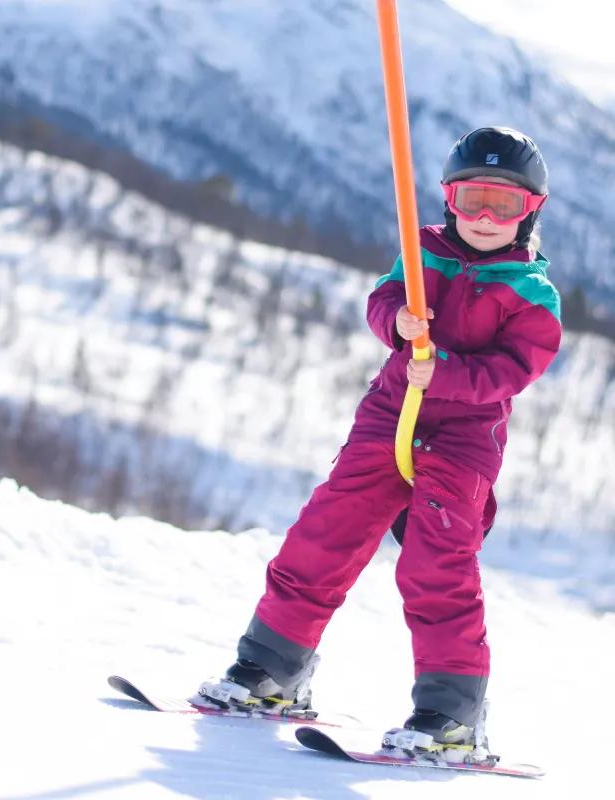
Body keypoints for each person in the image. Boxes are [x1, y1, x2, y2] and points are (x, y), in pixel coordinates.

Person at [200, 127, 562, 762]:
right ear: (449, 198)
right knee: (324, 532)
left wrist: (445, 370)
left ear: (530, 212)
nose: (484, 217)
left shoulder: (533, 294)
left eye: (504, 205)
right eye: (473, 197)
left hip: (462, 438)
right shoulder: (420, 254)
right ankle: (271, 671)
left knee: (436, 565)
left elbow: (514, 370)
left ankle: (451, 715)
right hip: (389, 416)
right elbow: (383, 300)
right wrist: (396, 321)